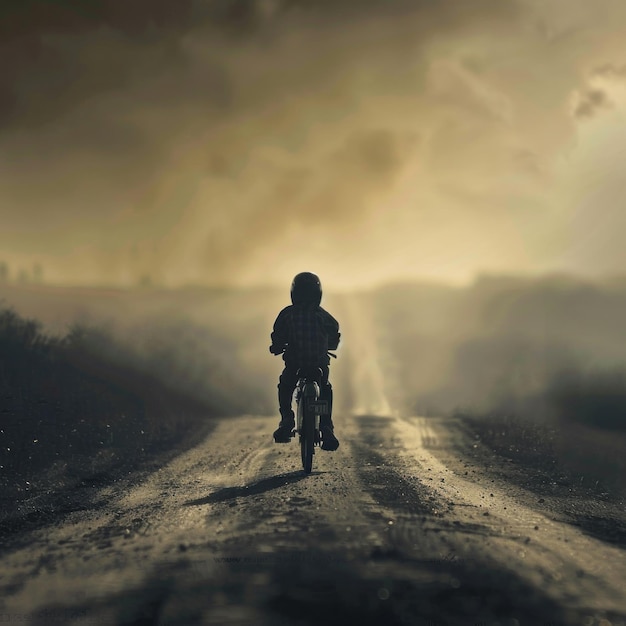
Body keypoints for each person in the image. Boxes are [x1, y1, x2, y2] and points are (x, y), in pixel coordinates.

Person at [269, 272, 340, 451]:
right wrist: (330, 345)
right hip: (319, 365)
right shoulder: (323, 316)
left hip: (295, 364)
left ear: (294, 293)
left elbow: (277, 336)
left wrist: (277, 347)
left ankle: (287, 419)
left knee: (285, 386)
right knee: (325, 389)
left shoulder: (287, 314)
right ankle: (326, 427)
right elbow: (335, 335)